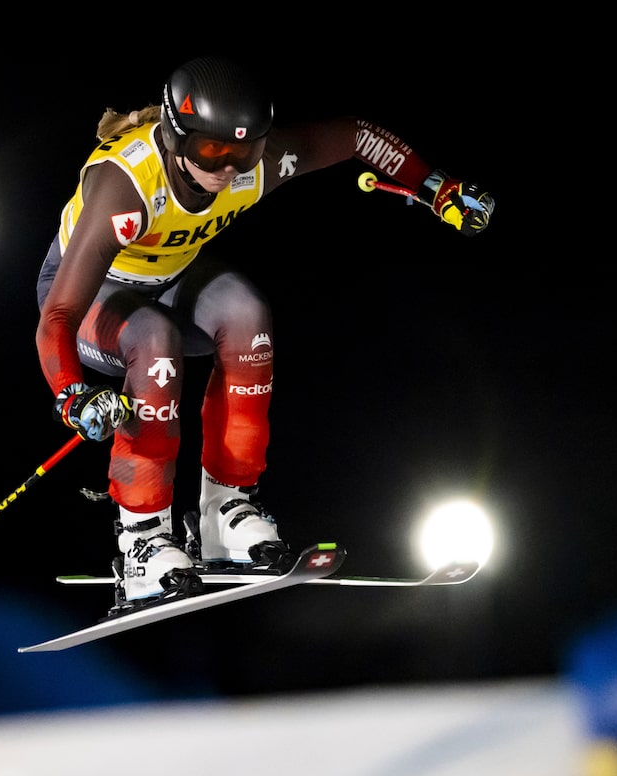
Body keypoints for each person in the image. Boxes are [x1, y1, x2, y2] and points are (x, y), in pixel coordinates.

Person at [35, 56, 493, 611]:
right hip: (89, 297)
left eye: (243, 151)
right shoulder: (126, 186)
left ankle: (224, 512)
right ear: (178, 138)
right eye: (211, 152)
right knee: (155, 339)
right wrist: (71, 394)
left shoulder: (260, 162)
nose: (228, 168)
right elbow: (57, 317)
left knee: (246, 313)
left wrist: (435, 187)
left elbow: (356, 136)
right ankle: (142, 537)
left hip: (169, 275)